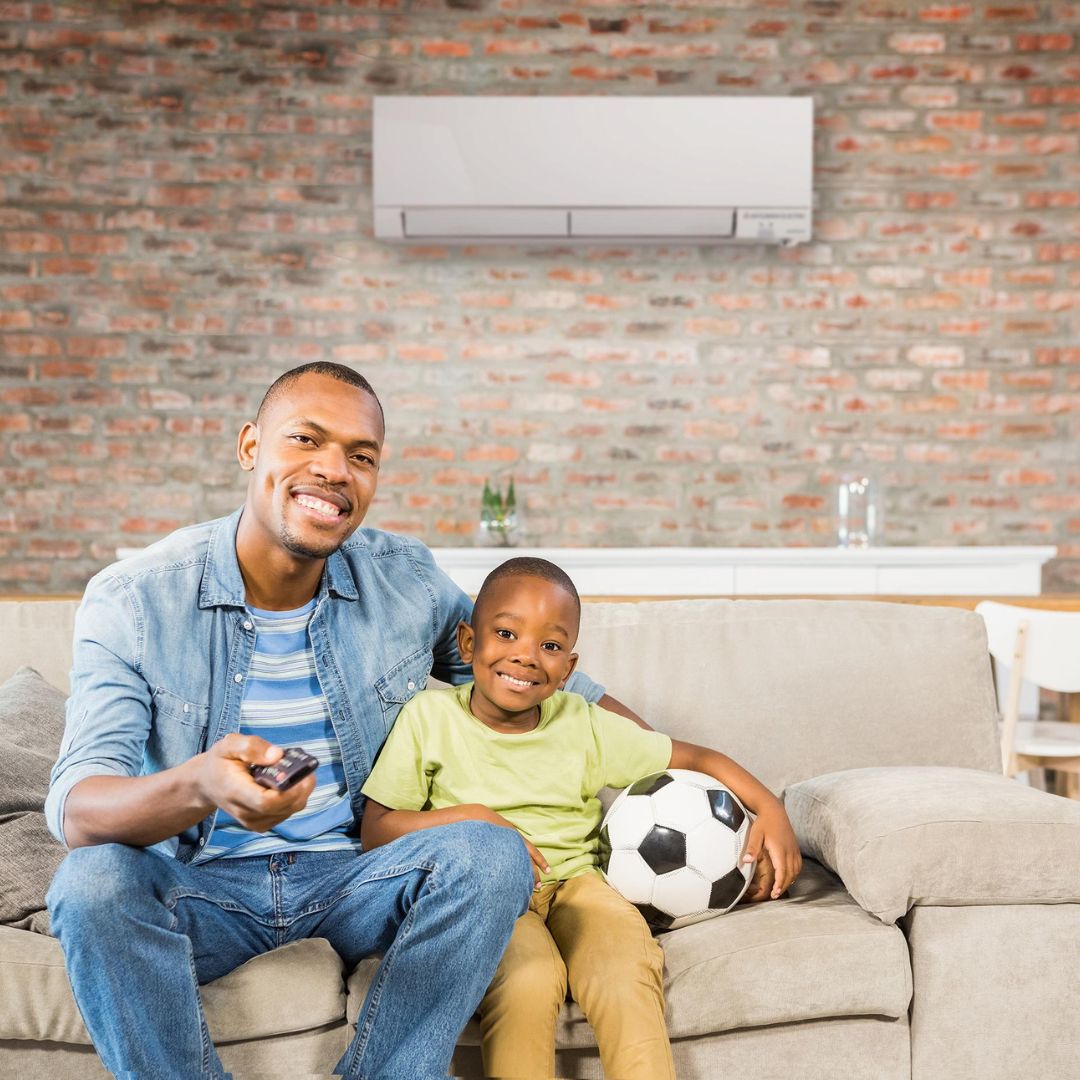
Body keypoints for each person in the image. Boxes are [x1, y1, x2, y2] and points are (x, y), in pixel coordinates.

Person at [44, 362, 630, 1080]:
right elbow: (78, 808)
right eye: (306, 440)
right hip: (203, 887)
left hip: (356, 875)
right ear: (251, 446)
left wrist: (710, 782)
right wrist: (201, 784)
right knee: (91, 882)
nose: (333, 471)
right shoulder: (134, 600)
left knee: (488, 854)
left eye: (360, 456)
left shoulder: (404, 581)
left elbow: (564, 695)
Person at [360, 556, 803, 1080]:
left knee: (624, 970)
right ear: (468, 643)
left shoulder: (584, 724)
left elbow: (699, 760)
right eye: (505, 633)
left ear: (568, 668)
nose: (525, 656)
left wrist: (770, 808)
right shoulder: (428, 720)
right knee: (529, 979)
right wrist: (473, 819)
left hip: (577, 884)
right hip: (488, 896)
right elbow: (377, 831)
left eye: (549, 646)